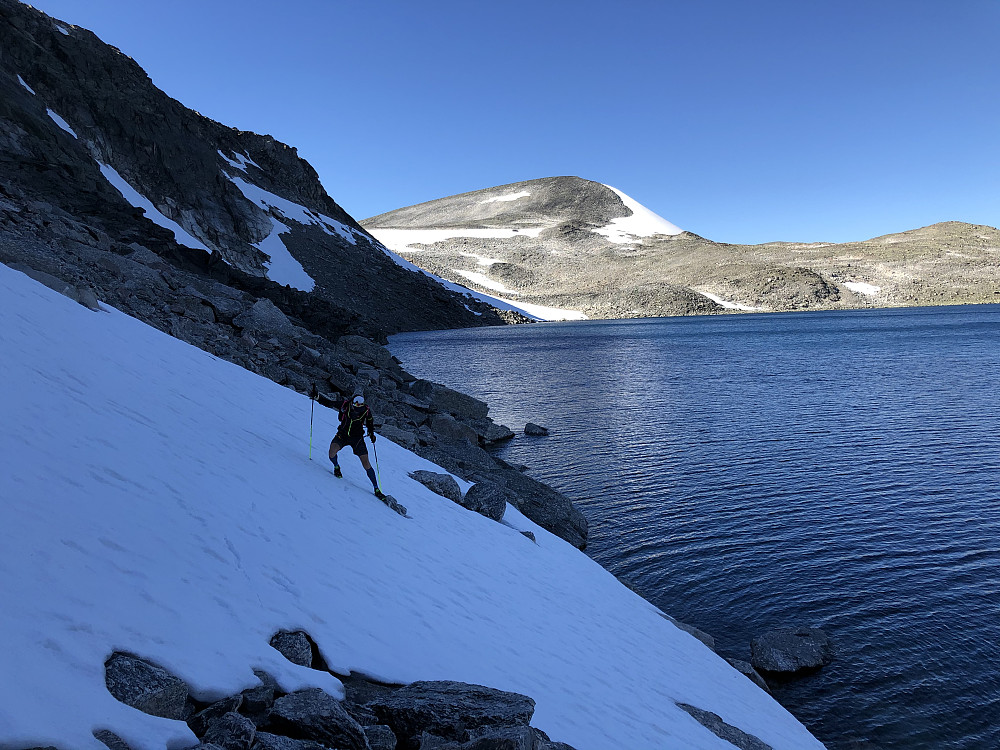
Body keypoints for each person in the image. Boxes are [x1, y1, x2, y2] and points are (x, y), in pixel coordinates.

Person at [310, 384, 385, 499]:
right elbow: (330, 403)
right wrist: (317, 397)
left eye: (360, 404)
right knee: (331, 453)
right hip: (343, 435)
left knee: (366, 463)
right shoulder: (345, 405)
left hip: (358, 439)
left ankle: (376, 488)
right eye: (356, 404)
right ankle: (336, 467)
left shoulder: (366, 410)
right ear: (352, 401)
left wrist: (371, 433)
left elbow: (370, 422)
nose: (358, 406)